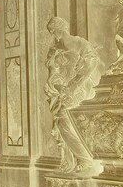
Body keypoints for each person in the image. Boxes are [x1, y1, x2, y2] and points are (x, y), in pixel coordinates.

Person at [44, 17, 104, 173]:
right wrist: (60, 87)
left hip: (80, 88)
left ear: (60, 29)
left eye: (54, 29)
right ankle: (75, 160)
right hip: (61, 91)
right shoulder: (54, 50)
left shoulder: (80, 43)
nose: (54, 33)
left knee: (67, 121)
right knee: (62, 123)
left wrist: (74, 85)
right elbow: (53, 74)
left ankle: (85, 159)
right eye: (52, 31)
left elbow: (92, 62)